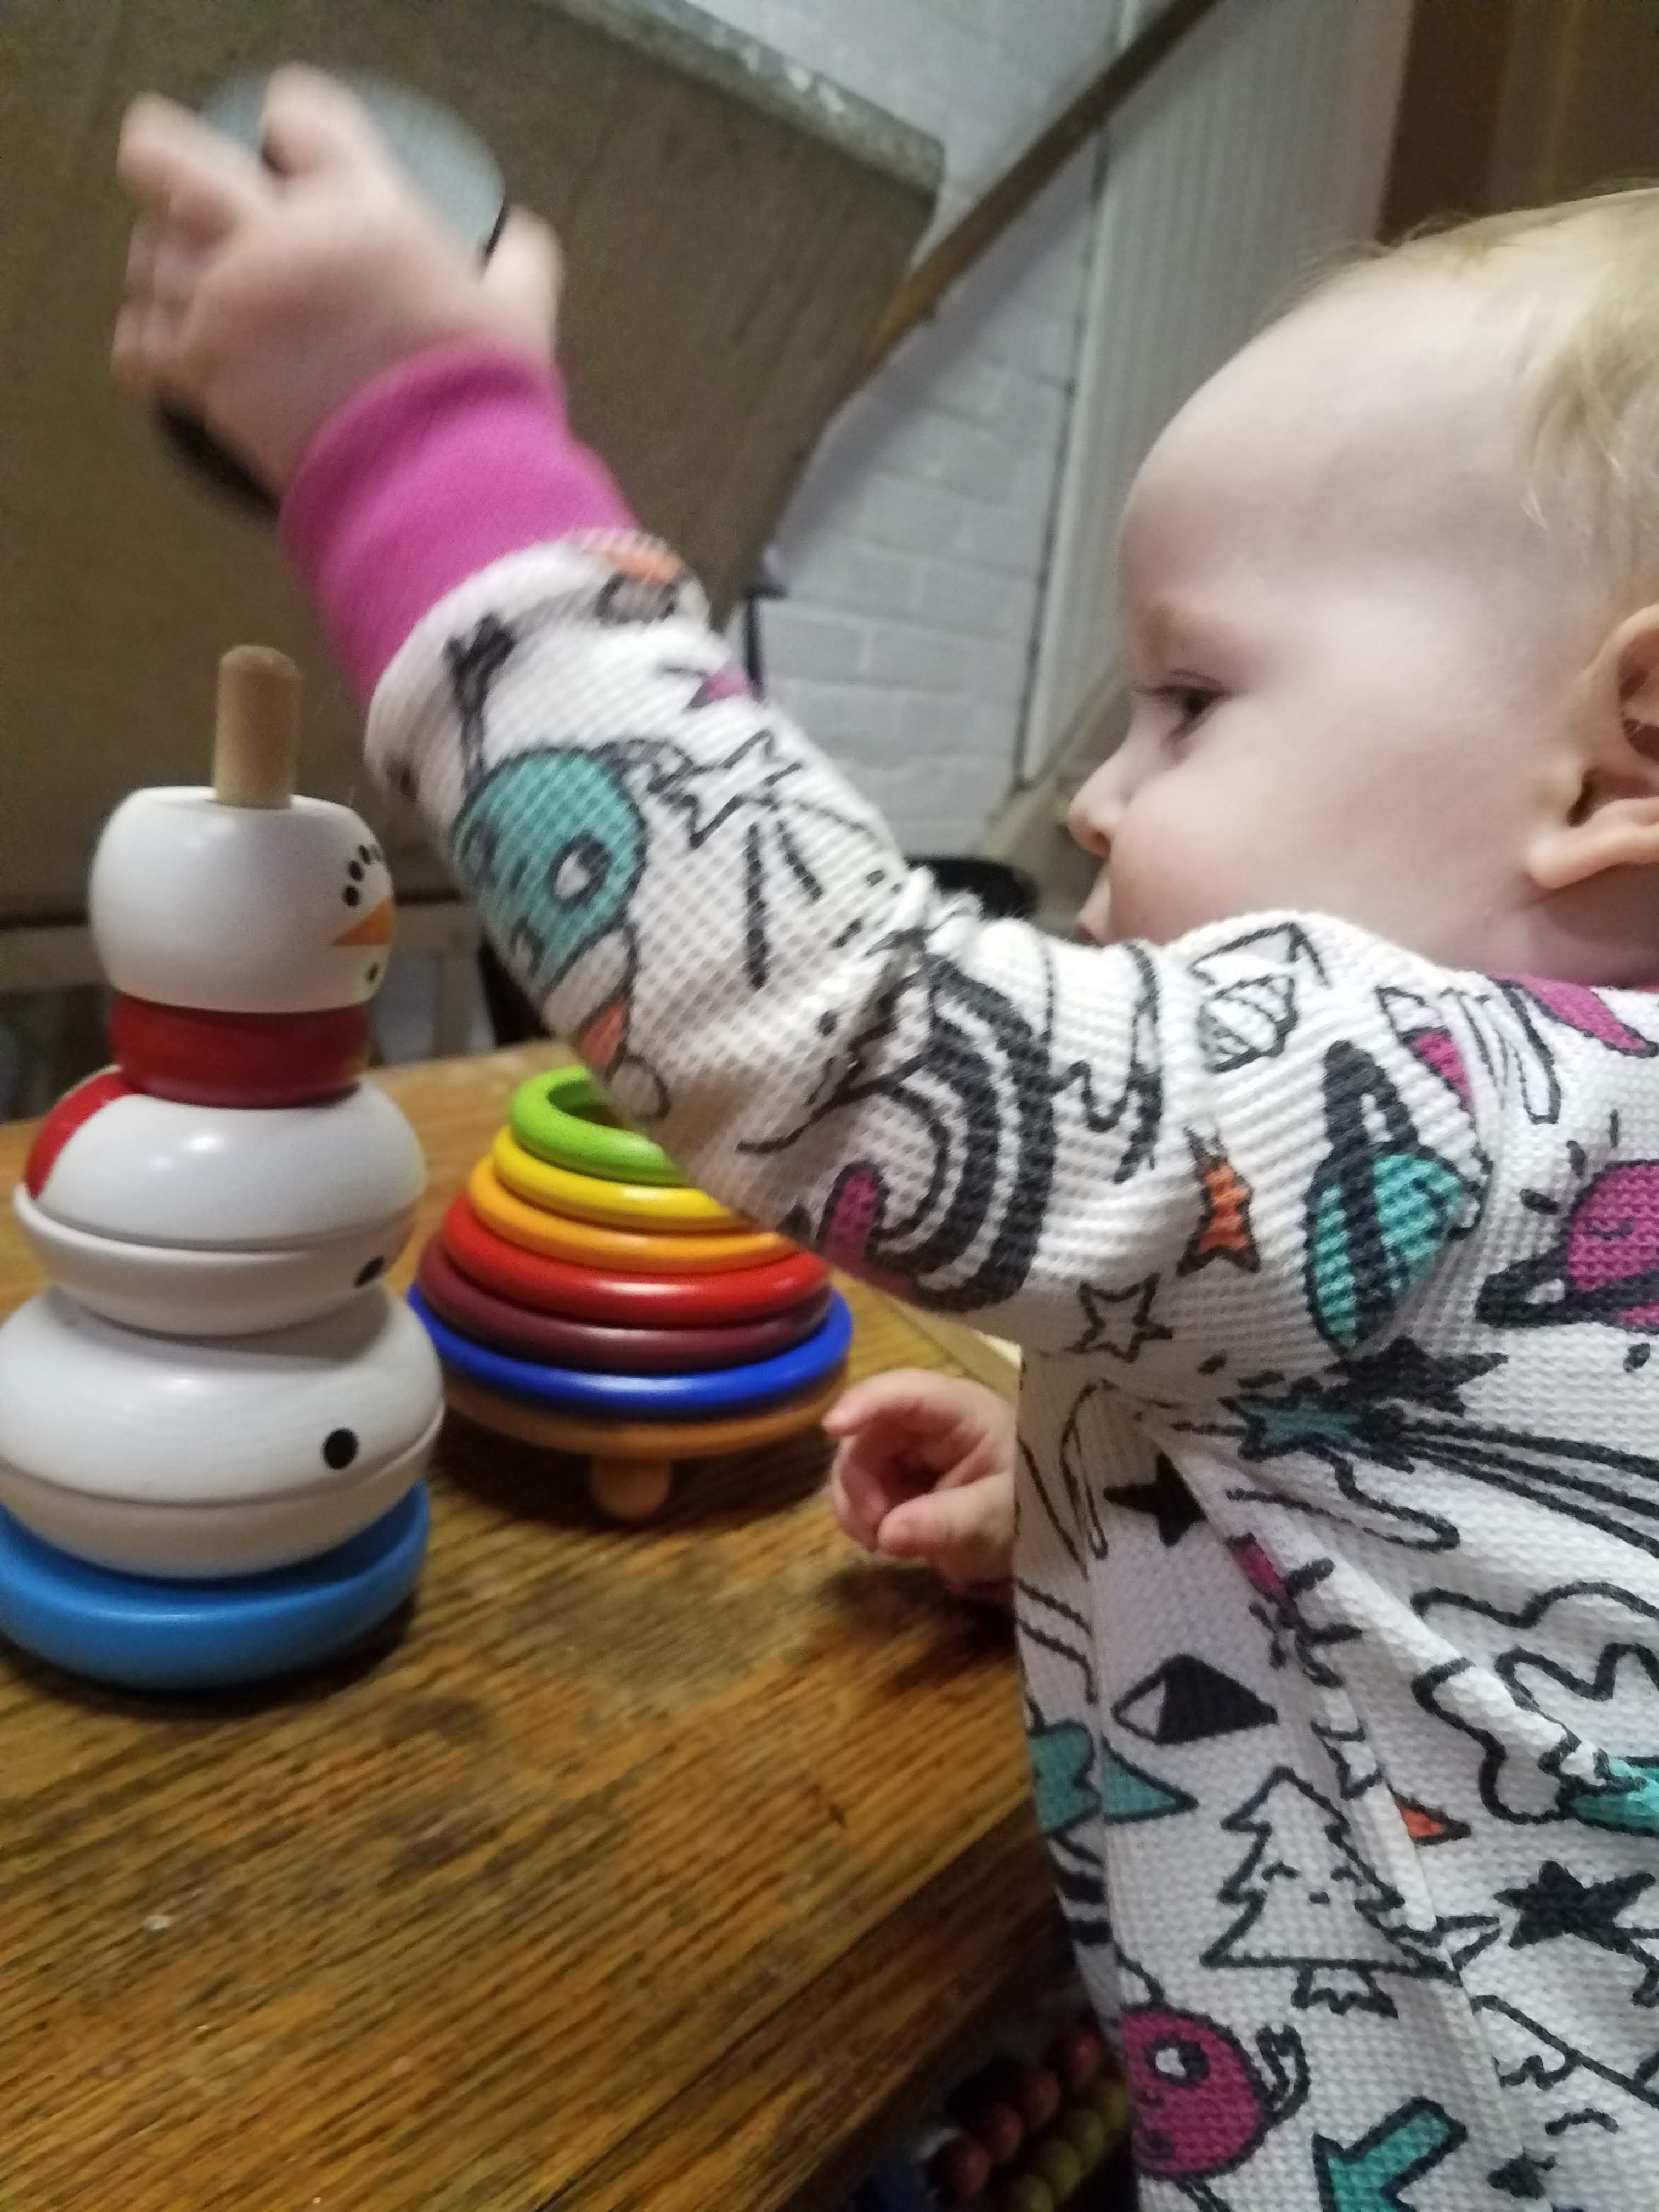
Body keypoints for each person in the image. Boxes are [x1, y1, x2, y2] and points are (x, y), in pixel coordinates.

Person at [114, 69, 1659, 2203]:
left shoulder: (1426, 1086)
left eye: (1190, 700)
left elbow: (835, 1028)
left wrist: (415, 446)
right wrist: (1108, 1478)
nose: (1097, 795)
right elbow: (1494, 1564)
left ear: (1621, 760)